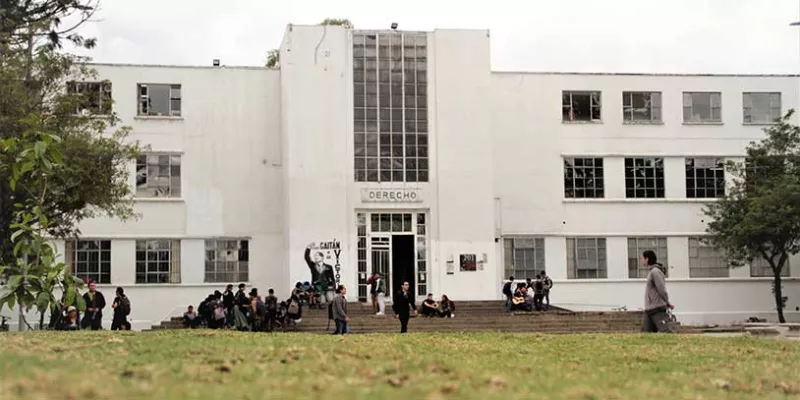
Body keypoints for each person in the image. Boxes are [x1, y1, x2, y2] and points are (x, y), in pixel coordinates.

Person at [641, 250, 675, 333]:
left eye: (642, 258)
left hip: (657, 308)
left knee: (666, 332)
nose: (641, 260)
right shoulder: (652, 272)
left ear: (647, 259)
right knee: (646, 333)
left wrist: (667, 302)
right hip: (650, 309)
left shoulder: (655, 272)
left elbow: (661, 289)